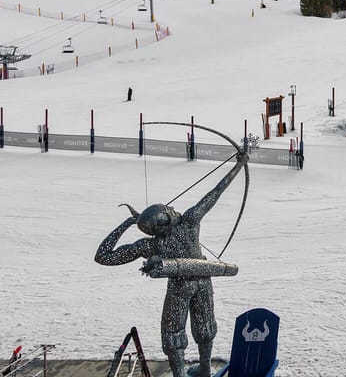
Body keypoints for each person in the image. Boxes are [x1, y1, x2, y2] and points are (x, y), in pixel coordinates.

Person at [95, 149, 248, 377]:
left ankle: (184, 374)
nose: (174, 210)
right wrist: (238, 165)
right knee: (204, 326)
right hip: (203, 280)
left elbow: (104, 256)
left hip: (179, 287)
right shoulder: (189, 222)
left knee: (174, 332)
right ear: (165, 219)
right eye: (169, 211)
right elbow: (215, 192)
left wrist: (127, 224)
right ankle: (205, 370)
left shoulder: (151, 245)